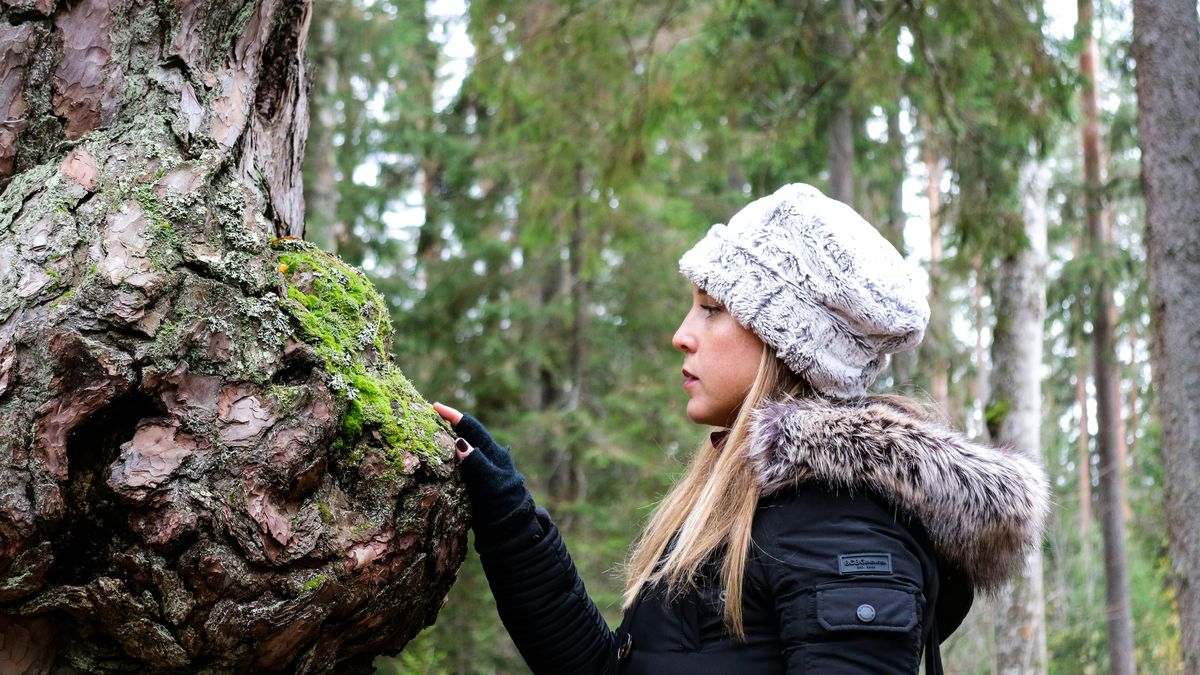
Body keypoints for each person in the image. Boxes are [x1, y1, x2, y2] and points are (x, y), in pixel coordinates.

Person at [432, 183, 1049, 674]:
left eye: (711, 308)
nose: (683, 332)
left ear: (786, 340)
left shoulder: (842, 530)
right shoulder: (753, 504)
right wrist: (508, 516)